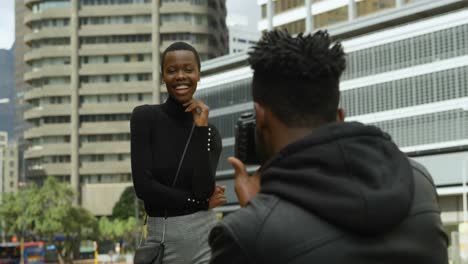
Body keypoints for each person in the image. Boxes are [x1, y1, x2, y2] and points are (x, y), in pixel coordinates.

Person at [208, 30, 448, 264]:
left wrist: (254, 210)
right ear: (340, 116)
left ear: (260, 117)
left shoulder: (243, 235)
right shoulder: (418, 182)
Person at [131, 42, 226, 264]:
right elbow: (144, 187)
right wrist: (200, 203)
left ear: (198, 75)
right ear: (163, 76)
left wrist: (201, 130)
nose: (180, 76)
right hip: (163, 239)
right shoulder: (145, 118)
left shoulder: (210, 132)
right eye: (172, 71)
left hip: (206, 237)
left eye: (188, 70)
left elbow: (203, 189)